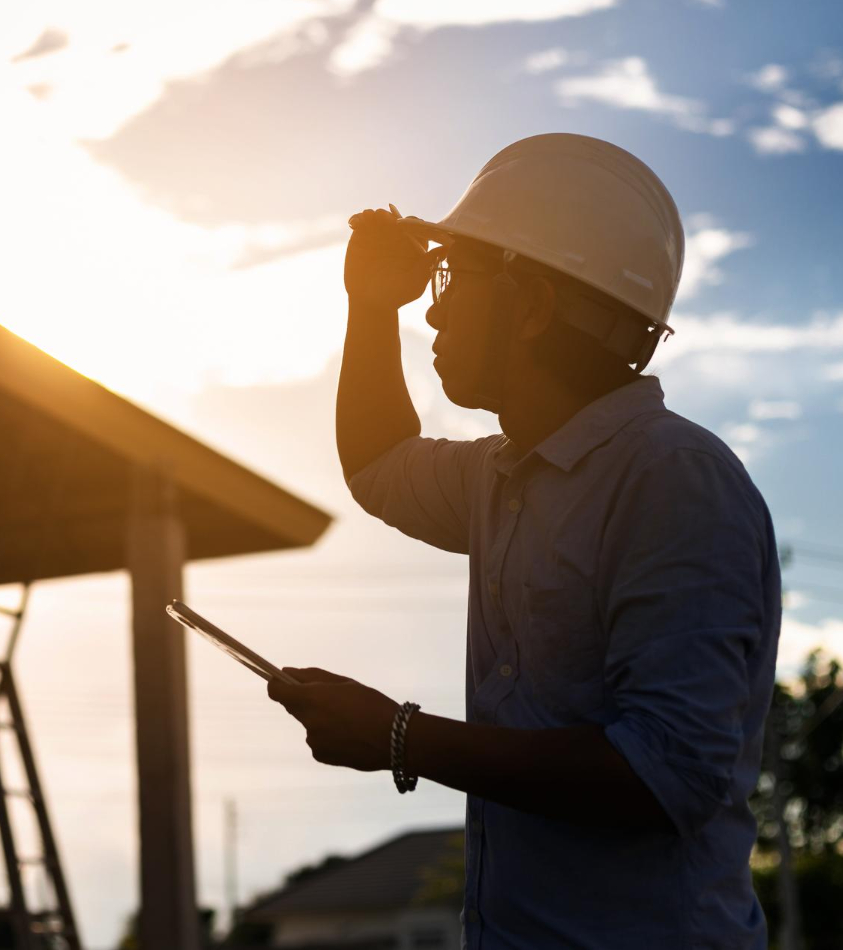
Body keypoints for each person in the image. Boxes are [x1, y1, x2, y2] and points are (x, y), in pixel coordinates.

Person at [267, 133, 782, 948]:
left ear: (535, 305)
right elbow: (377, 464)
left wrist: (399, 737)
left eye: (453, 279)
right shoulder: (504, 476)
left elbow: (666, 773)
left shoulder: (674, 479)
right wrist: (371, 307)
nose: (433, 308)